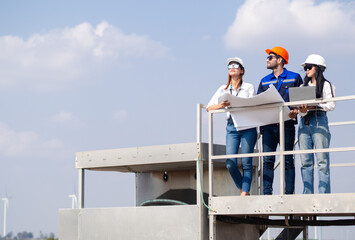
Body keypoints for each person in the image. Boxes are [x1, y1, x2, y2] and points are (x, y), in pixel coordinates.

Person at [207, 57, 257, 196]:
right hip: (232, 126)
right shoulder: (223, 89)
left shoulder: (249, 87)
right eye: (229, 66)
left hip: (247, 125)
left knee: (247, 162)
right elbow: (209, 107)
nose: (232, 67)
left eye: (235, 65)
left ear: (241, 70)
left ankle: (244, 192)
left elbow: (253, 104)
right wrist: (221, 105)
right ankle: (242, 188)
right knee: (230, 163)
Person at [257, 46, 303, 195]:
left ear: (280, 60)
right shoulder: (264, 81)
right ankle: (266, 195)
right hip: (268, 127)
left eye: (270, 57)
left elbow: (300, 101)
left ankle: (289, 194)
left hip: (287, 125)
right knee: (267, 161)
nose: (267, 60)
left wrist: (295, 110)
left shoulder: (295, 77)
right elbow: (258, 102)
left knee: (288, 161)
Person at [298, 54, 335, 194]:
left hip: (319, 120)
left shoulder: (327, 85)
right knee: (305, 161)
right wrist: (302, 110)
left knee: (322, 160)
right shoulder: (302, 86)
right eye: (305, 67)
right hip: (304, 121)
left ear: (318, 68)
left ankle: (323, 194)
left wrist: (316, 104)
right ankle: (307, 194)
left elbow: (331, 105)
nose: (306, 70)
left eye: (309, 67)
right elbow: (300, 110)